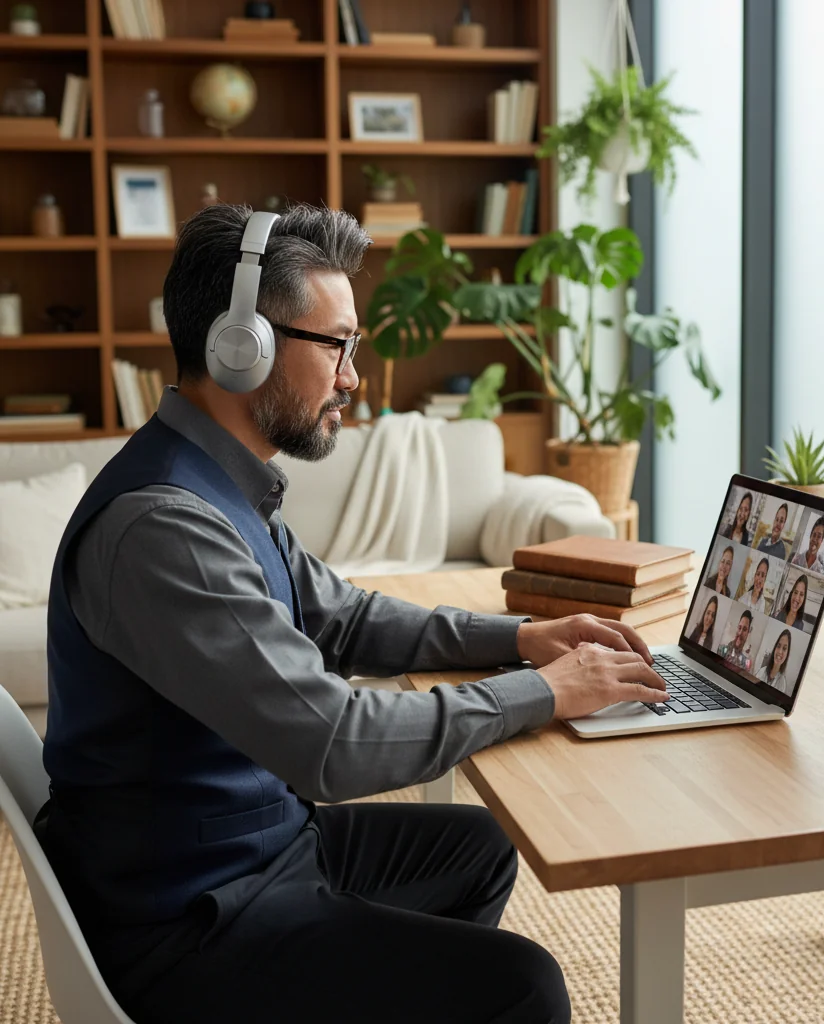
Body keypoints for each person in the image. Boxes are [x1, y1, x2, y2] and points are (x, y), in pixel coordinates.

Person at [35, 203, 672, 1024]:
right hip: (191, 924)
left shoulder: (225, 487)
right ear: (242, 345)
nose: (352, 376)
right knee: (523, 988)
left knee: (476, 850)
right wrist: (547, 691)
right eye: (335, 344)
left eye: (352, 346)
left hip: (251, 851)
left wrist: (521, 639)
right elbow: (333, 745)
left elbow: (342, 616)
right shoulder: (166, 529)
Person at [756, 629, 793, 696]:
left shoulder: (782, 683)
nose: (780, 652)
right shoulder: (761, 671)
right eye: (778, 646)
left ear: (787, 654)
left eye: (784, 648)